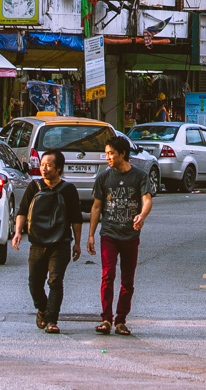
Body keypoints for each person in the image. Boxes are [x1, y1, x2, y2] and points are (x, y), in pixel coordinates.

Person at [88, 134, 154, 335]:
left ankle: (121, 319)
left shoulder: (140, 176)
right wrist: (91, 235)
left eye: (111, 153)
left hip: (130, 235)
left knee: (128, 280)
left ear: (123, 154)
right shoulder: (104, 178)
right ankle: (106, 319)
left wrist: (141, 215)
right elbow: (96, 207)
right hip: (108, 234)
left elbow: (147, 199)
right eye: (106, 153)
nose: (107, 157)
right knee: (107, 275)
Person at [12, 149, 84, 333]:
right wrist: (17, 232)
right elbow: (22, 212)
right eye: (42, 165)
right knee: (34, 283)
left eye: (49, 165)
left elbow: (76, 218)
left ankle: (52, 320)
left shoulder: (68, 190)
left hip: (60, 243)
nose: (44, 168)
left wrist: (77, 242)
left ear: (58, 168)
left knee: (55, 281)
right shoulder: (34, 187)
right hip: (37, 243)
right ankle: (43, 309)